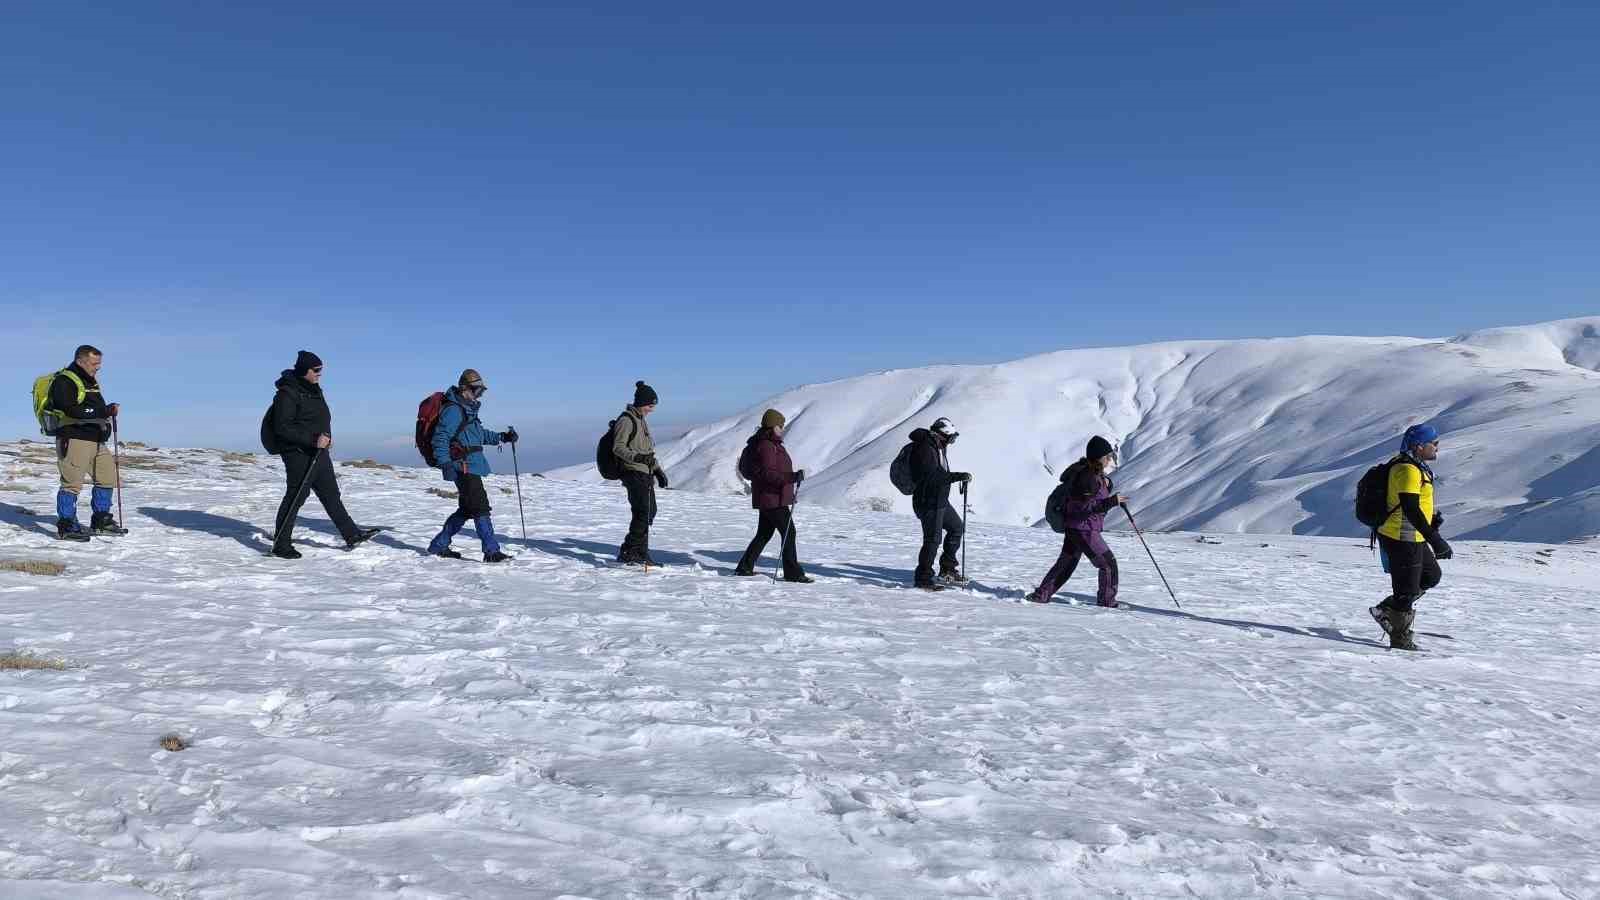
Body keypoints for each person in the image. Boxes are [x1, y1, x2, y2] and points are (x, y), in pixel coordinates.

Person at [265, 351, 381, 559]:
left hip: (318, 452)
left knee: (331, 494)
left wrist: (325, 439)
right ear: (304, 370)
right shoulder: (288, 393)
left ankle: (352, 535)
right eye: (316, 370)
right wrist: (313, 439)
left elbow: (315, 419)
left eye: (321, 369)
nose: (320, 373)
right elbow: (282, 427)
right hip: (298, 453)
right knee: (296, 497)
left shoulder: (313, 389)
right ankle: (280, 545)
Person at [1370, 423, 1451, 651]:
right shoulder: (1407, 469)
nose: (1437, 447)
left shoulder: (1416, 467)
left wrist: (1431, 523)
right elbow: (1410, 508)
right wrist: (1436, 540)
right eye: (1434, 443)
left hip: (1413, 535)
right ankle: (1400, 639)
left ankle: (1385, 609)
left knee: (1431, 576)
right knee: (1406, 590)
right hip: (1400, 536)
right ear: (1418, 446)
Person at [427, 369, 516, 563]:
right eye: (477, 390)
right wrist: (445, 464)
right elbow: (440, 438)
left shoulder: (466, 408)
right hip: (463, 466)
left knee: (467, 509)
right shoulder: (454, 411)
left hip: (472, 465)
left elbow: (478, 435)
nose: (479, 394)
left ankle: (439, 545)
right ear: (465, 388)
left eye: (481, 391)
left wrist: (503, 437)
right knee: (480, 507)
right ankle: (491, 551)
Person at [1026, 436, 1124, 607]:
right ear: (1099, 457)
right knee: (1108, 564)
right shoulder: (1087, 477)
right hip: (1084, 529)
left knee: (1066, 564)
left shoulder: (1091, 474)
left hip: (1077, 528)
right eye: (1108, 456)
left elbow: (1092, 499)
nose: (1110, 460)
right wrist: (1111, 502)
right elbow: (1082, 507)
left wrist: (1108, 488)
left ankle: (1041, 595)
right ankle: (1107, 602)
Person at [47, 345, 122, 540]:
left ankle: (101, 520)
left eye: (99, 363)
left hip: (96, 440)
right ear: (80, 361)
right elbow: (69, 409)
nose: (98, 367)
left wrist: (106, 413)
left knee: (107, 478)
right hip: (74, 438)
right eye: (94, 363)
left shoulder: (90, 382)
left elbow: (92, 409)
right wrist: (103, 411)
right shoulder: (65, 380)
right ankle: (67, 525)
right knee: (71, 484)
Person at [733, 409, 812, 582]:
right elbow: (768, 474)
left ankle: (744, 567)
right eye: (780, 426)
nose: (782, 429)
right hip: (772, 498)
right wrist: (793, 477)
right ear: (772, 426)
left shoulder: (770, 444)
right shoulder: (767, 446)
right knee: (789, 532)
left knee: (764, 534)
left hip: (770, 497)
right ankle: (793, 573)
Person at [907, 417, 972, 589]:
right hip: (928, 501)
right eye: (950, 438)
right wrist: (957, 476)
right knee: (932, 540)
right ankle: (923, 578)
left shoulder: (937, 446)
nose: (951, 442)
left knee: (956, 528)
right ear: (941, 435)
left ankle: (947, 569)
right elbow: (932, 477)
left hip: (940, 500)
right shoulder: (925, 449)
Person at [613, 380, 670, 565]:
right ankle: (631, 551)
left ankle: (636, 551)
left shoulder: (640, 420)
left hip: (645, 473)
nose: (651, 409)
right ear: (641, 402)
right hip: (632, 472)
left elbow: (647, 451)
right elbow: (618, 448)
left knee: (648, 511)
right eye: (650, 405)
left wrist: (658, 470)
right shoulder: (626, 420)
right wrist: (637, 458)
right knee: (643, 512)